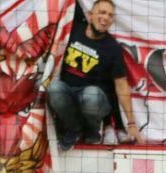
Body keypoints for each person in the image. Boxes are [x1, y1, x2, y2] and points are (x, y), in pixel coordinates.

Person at [47, 0, 140, 151]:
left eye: (110, 15)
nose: (106, 17)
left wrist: (131, 123)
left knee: (92, 95)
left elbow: (122, 85)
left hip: (95, 100)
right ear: (90, 15)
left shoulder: (113, 48)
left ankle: (93, 129)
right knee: (54, 88)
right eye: (102, 12)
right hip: (68, 94)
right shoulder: (73, 30)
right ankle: (74, 129)